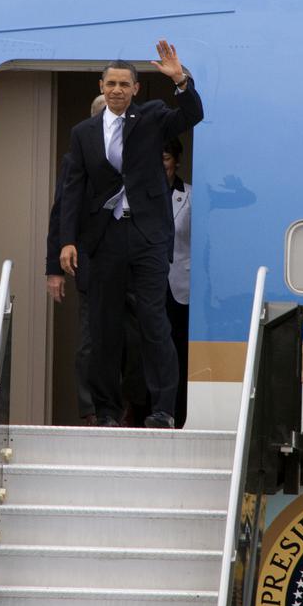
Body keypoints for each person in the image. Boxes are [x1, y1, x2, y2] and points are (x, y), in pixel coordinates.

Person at [59, 41, 204, 428]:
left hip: (148, 237)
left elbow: (192, 114)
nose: (118, 90)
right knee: (105, 329)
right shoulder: (83, 133)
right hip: (103, 240)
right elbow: (72, 190)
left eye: (125, 84)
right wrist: (67, 240)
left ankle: (163, 410)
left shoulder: (154, 117)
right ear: (102, 87)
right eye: (111, 84)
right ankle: (107, 411)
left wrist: (180, 80)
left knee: (154, 323)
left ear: (136, 89)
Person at [46, 95, 106, 425]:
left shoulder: (136, 154)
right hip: (88, 261)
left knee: (134, 338)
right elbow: (61, 215)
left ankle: (127, 407)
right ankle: (91, 411)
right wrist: (53, 269)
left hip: (130, 261)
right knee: (89, 340)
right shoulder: (74, 160)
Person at [163, 137, 191, 429]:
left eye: (166, 158)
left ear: (177, 162)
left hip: (180, 287)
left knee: (178, 352)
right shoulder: (140, 194)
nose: (162, 165)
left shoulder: (191, 196)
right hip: (147, 285)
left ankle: (178, 413)